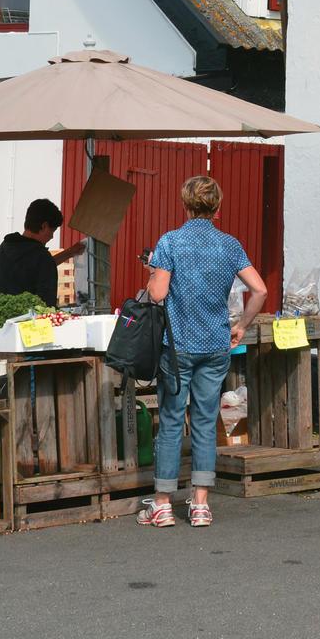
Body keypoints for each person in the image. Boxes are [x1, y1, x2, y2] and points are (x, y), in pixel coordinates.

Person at [137, 176, 268, 529]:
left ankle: (162, 504)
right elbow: (259, 290)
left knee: (170, 422)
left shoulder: (171, 242)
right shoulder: (229, 245)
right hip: (215, 345)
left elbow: (158, 295)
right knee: (206, 422)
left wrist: (153, 272)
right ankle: (200, 505)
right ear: (217, 207)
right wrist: (242, 325)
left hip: (178, 347)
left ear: (184, 205)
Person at [0, 198, 83, 303]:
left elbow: (32, 268)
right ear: (44, 226)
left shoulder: (6, 246)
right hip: (33, 314)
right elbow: (47, 305)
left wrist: (69, 252)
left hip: (4, 312)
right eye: (52, 231)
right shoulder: (41, 257)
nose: (52, 236)